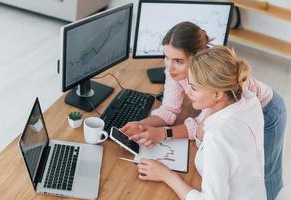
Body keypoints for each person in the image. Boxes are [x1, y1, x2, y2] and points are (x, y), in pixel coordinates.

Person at [120, 22, 286, 200]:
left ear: (196, 58)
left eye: (178, 61)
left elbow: (202, 129)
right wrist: (141, 125)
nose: (169, 67)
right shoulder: (230, 99)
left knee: (267, 174)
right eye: (166, 57)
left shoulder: (225, 96)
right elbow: (173, 111)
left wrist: (165, 169)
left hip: (268, 110)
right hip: (234, 125)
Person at [137, 46, 267, 199]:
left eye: (193, 88)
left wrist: (166, 175)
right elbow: (201, 132)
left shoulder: (218, 136)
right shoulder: (246, 99)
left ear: (218, 94)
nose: (187, 92)